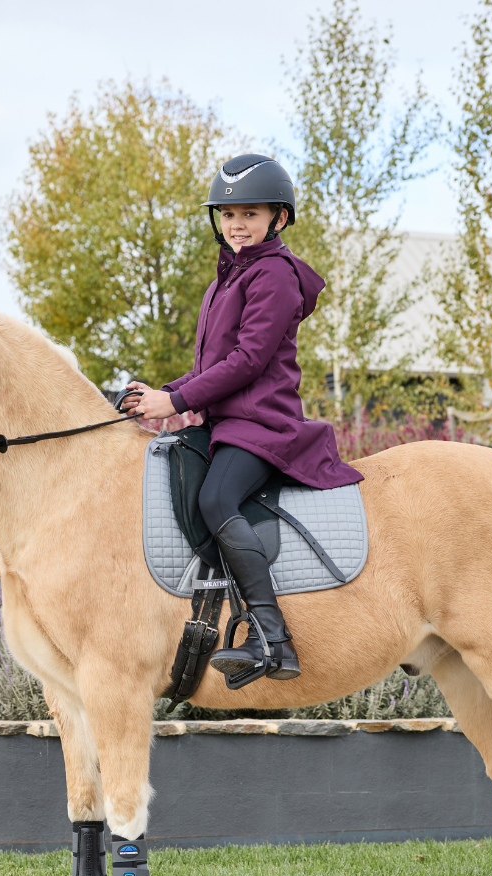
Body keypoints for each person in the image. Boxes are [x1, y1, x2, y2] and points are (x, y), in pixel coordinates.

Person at [121, 153, 363, 681]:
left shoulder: (273, 274)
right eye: (228, 215)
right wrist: (161, 394)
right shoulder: (224, 281)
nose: (237, 225)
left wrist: (176, 404)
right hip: (224, 423)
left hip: (261, 425)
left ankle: (272, 640)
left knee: (215, 497)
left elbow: (248, 362)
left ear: (278, 218)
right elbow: (209, 367)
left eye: (250, 214)